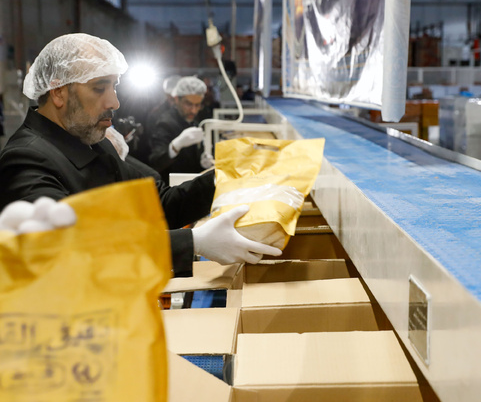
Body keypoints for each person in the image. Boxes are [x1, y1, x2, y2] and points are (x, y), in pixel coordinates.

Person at [0, 33, 281, 276]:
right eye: (99, 88)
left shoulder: (93, 143)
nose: (114, 102)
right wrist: (192, 242)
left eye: (114, 87)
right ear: (59, 92)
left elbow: (159, 204)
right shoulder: (26, 160)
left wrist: (229, 175)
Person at [148, 76, 213, 183]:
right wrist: (174, 146)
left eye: (197, 105)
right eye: (188, 104)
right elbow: (156, 162)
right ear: (177, 99)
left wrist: (204, 158)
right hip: (172, 186)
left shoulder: (196, 119)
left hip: (192, 183)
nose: (193, 110)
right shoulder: (164, 123)